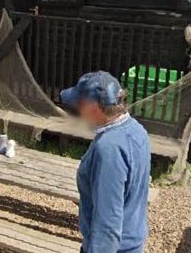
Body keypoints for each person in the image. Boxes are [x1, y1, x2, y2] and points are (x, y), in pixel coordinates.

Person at [60, 71, 151, 253]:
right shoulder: (137, 130)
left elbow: (107, 223)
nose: (77, 110)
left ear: (94, 107)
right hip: (132, 241)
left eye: (79, 104)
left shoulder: (109, 149)